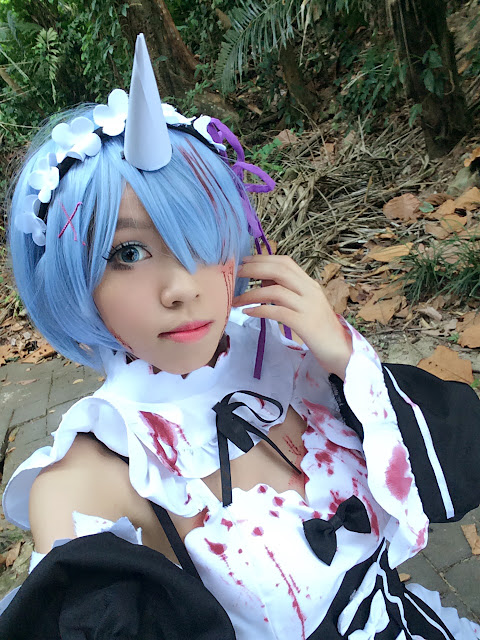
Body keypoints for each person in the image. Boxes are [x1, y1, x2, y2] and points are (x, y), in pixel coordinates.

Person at [0, 33, 479, 640]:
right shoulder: (87, 484)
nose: (182, 287)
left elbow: (453, 475)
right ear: (72, 281)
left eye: (200, 235)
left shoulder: (292, 354)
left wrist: (346, 357)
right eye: (128, 253)